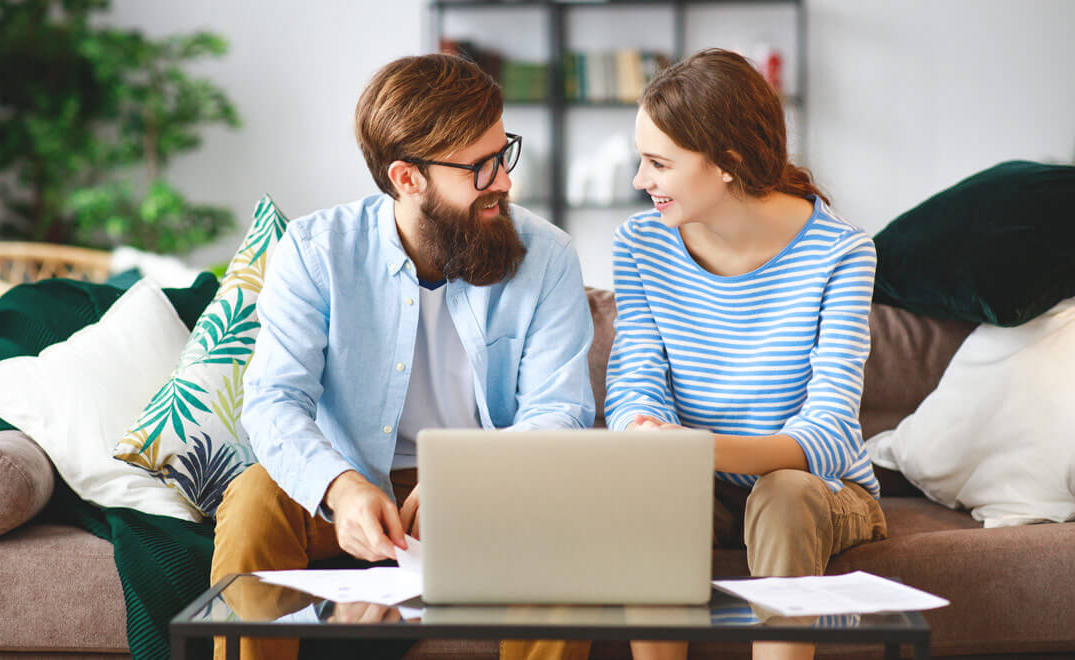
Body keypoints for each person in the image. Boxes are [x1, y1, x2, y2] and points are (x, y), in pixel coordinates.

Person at [211, 53, 595, 660]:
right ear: (406, 177)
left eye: (504, 153)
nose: (504, 180)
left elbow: (562, 410)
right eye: (480, 167)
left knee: (569, 517)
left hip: (494, 490)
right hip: (355, 482)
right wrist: (339, 488)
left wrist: (471, 479)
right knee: (256, 499)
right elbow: (273, 400)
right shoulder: (316, 252)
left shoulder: (546, 256)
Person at [506, 48, 887, 660]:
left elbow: (833, 432)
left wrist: (697, 449)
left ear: (728, 162)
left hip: (813, 488)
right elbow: (635, 382)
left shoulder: (841, 252)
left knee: (783, 496)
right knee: (648, 490)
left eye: (658, 163)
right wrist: (645, 433)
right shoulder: (640, 242)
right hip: (694, 481)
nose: (639, 180)